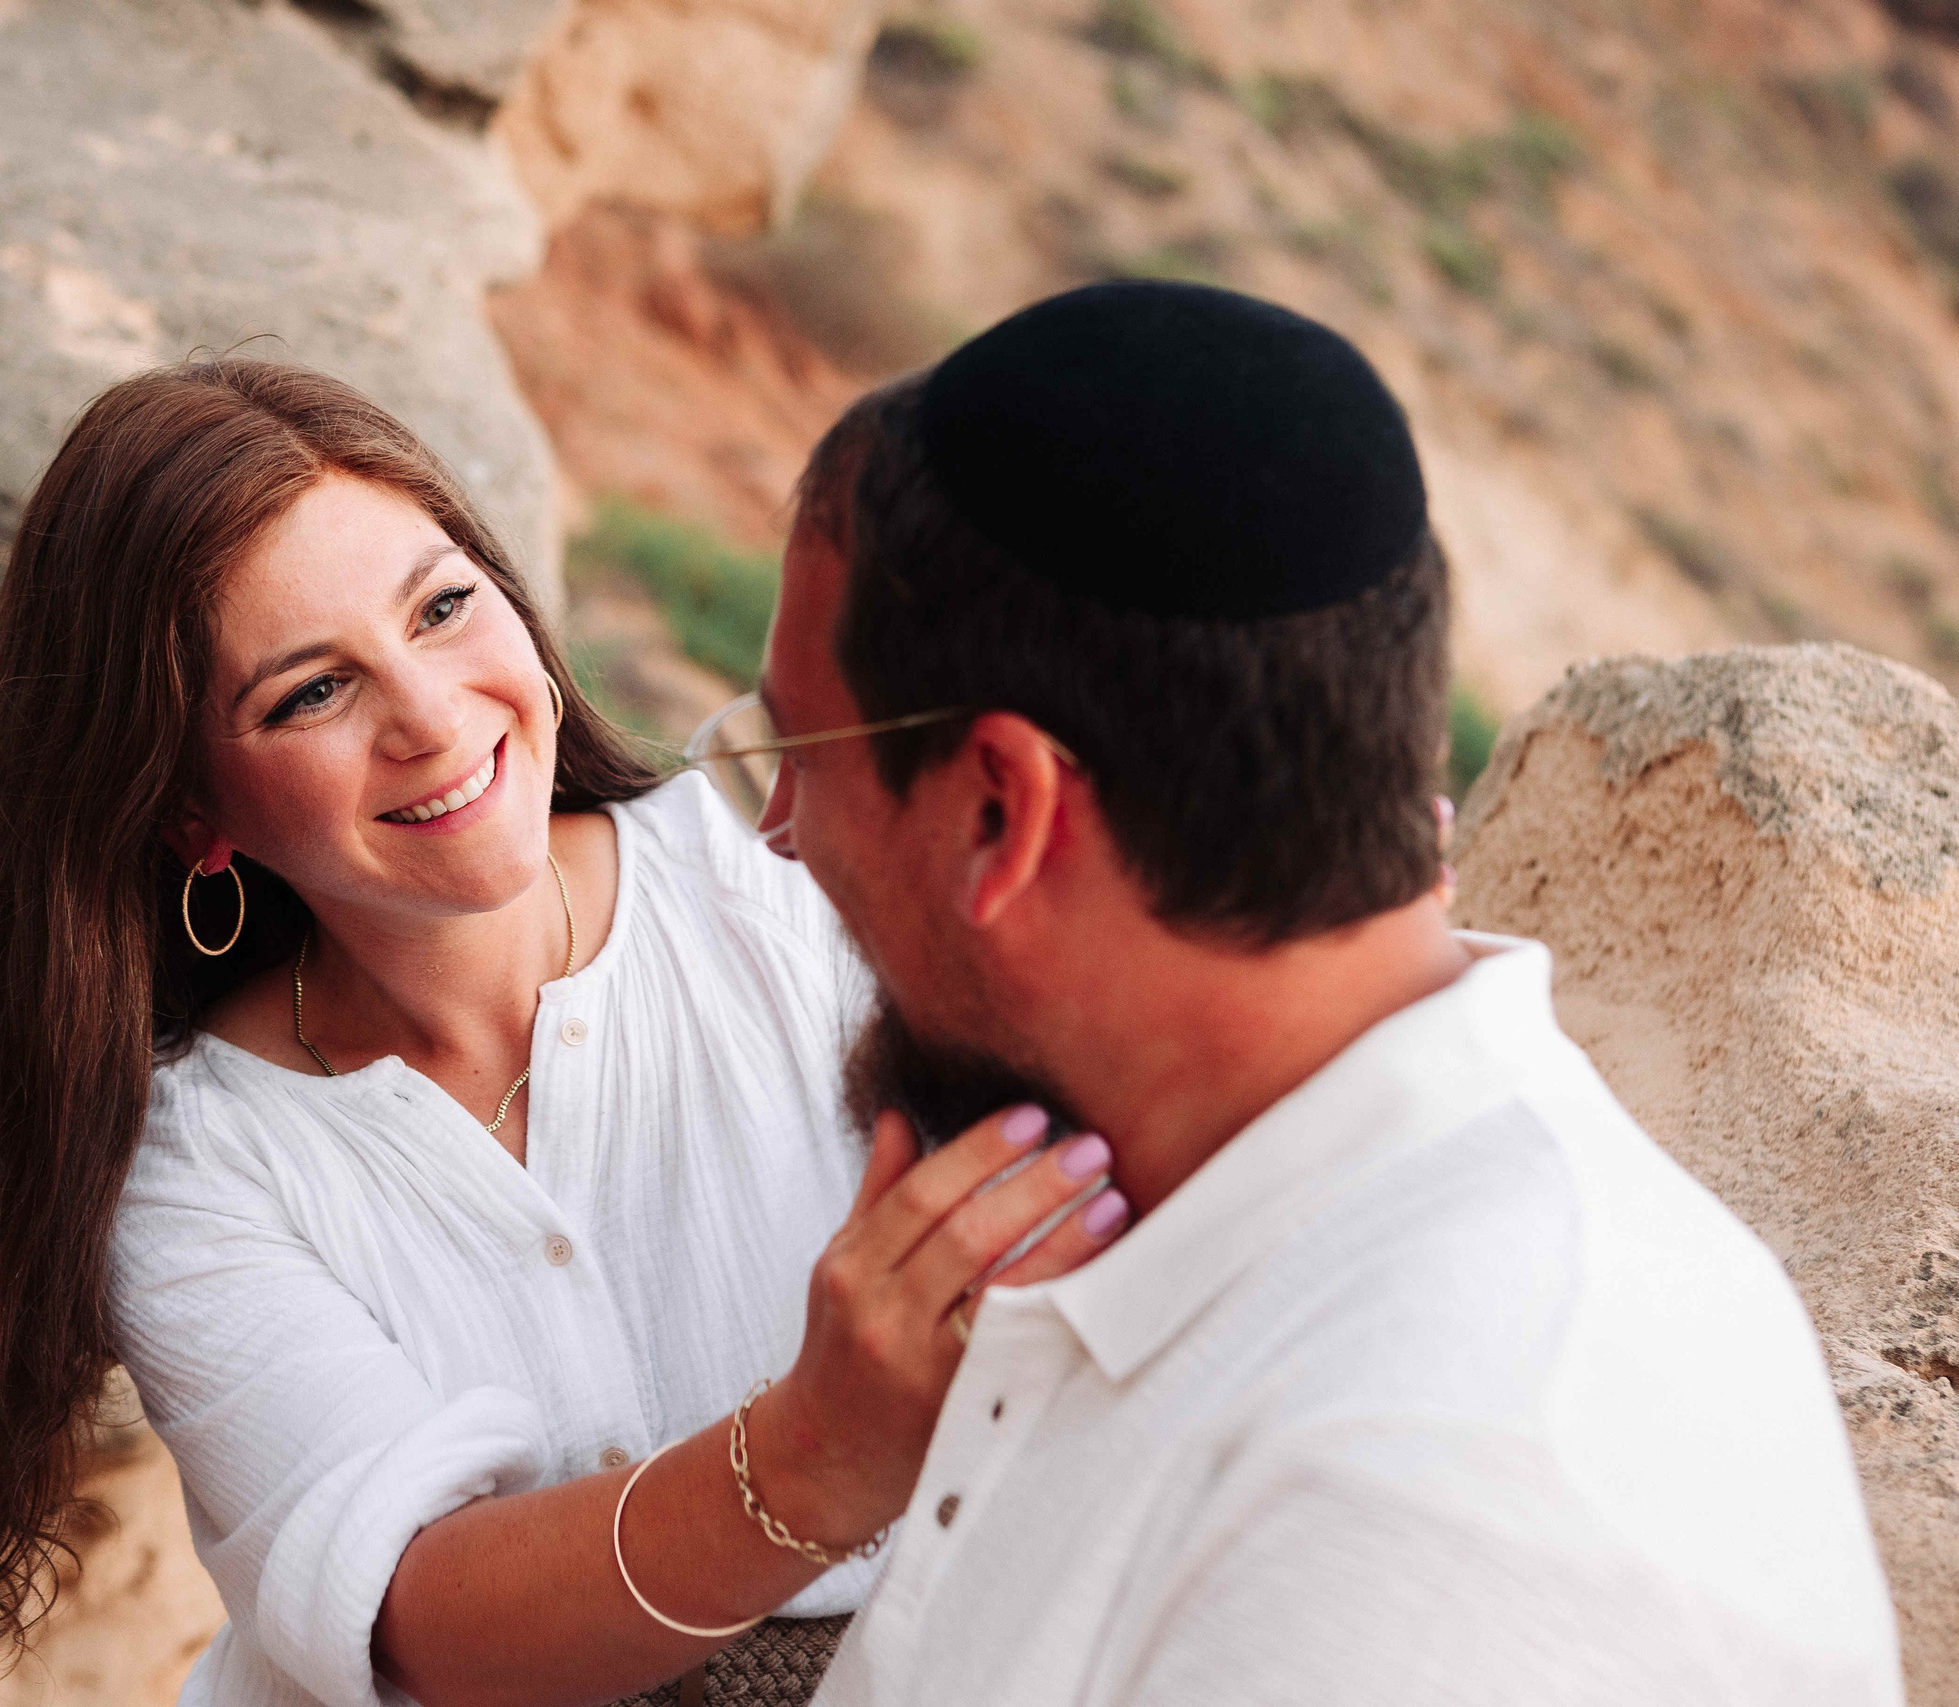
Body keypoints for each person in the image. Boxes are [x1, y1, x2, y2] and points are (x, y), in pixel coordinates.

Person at [0, 359, 1128, 1707]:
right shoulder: (196, 1166)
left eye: (442, 608)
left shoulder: (783, 879)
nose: (431, 721)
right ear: (195, 817)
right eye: (309, 694)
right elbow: (422, 1623)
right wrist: (809, 1454)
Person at [710, 280, 1901, 1704]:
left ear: (998, 811)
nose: (779, 827)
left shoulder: (1435, 1506)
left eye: (798, 746)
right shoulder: (1203, 1226)